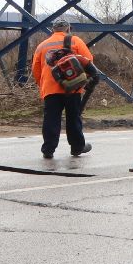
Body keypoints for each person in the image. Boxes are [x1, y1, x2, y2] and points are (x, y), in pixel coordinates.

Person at [31, 17, 97, 160]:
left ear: (53, 30)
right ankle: (77, 148)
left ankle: (48, 149)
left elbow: (35, 70)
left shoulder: (42, 46)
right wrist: (82, 80)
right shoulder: (75, 41)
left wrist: (43, 85)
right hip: (72, 87)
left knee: (51, 119)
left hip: (50, 88)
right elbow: (88, 61)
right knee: (73, 118)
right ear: (68, 29)